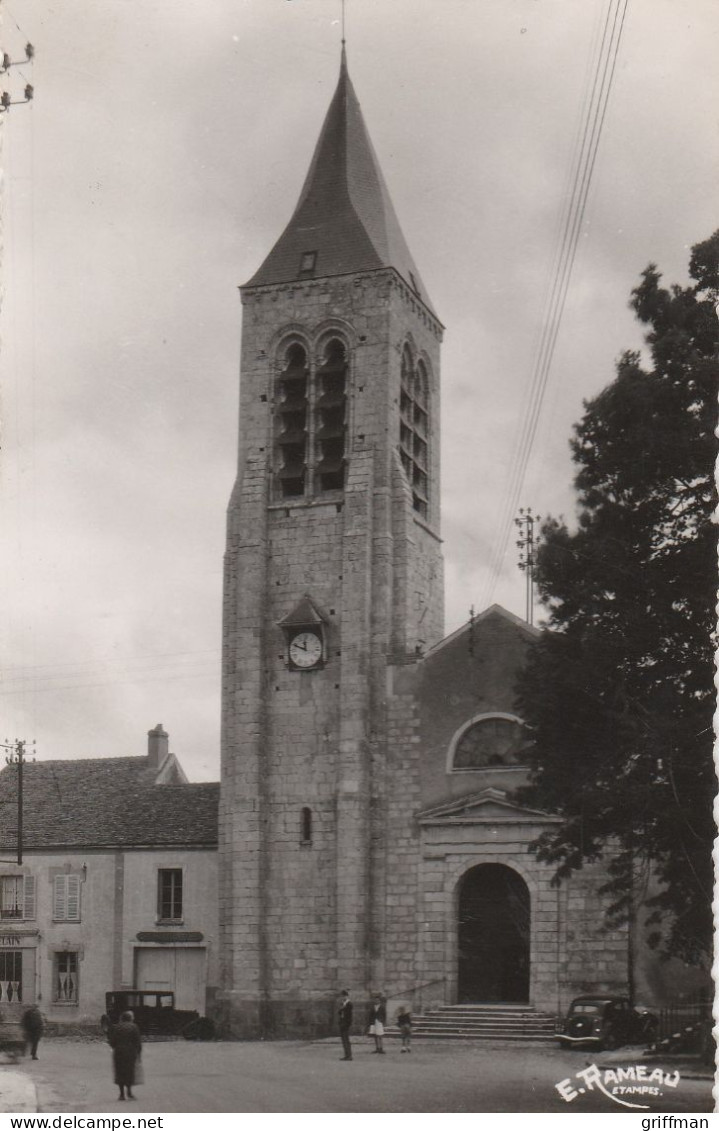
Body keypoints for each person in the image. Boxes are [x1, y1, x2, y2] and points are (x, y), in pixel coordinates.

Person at [108, 1009, 142, 1100]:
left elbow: (112, 1042)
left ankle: (121, 1094)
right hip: (130, 1053)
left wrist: (115, 1047)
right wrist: (139, 1054)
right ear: (130, 1018)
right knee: (129, 1072)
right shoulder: (134, 1027)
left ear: (122, 1018)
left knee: (120, 1072)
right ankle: (129, 1092)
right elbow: (137, 1042)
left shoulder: (116, 1027)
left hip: (118, 1053)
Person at [338, 989, 353, 1061]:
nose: (342, 998)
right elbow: (340, 1013)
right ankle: (346, 1055)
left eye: (343, 996)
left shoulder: (349, 1004)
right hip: (342, 1022)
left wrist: (347, 1024)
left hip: (346, 1024)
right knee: (344, 1039)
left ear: (346, 996)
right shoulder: (343, 1004)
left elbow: (349, 1016)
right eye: (342, 996)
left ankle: (349, 1055)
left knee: (346, 1040)